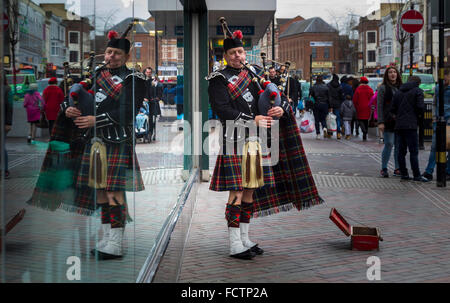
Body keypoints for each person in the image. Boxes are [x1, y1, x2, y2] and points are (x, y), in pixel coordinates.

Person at [28, 28, 148, 260]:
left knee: (114, 192)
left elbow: (128, 111)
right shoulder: (97, 73)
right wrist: (68, 108)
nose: (110, 56)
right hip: (94, 143)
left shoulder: (134, 80)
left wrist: (96, 119)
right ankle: (107, 235)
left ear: (126, 57)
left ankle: (116, 241)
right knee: (101, 192)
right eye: (109, 52)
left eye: (116, 54)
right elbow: (77, 95)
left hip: (116, 141)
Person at [207, 29, 323, 260]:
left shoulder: (253, 75)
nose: (238, 56)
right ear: (225, 56)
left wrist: (279, 108)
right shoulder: (218, 80)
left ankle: (244, 238)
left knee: (250, 190)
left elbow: (270, 97)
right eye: (233, 53)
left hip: (257, 141)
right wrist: (254, 119)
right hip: (235, 140)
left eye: (240, 51)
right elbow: (222, 110)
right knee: (237, 192)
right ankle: (233, 244)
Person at [390, 76, 429, 182]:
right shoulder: (418, 91)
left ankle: (404, 174)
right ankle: (416, 175)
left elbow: (392, 109)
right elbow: (420, 107)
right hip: (411, 125)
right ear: (418, 83)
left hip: (399, 125)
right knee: (413, 151)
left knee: (401, 151)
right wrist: (418, 117)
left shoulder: (398, 92)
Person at [422, 68, 450, 181]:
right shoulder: (438, 88)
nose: (444, 79)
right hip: (438, 122)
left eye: (446, 76)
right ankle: (429, 171)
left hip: (448, 122)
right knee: (435, 147)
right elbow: (434, 103)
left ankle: (448, 171)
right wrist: (434, 117)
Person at [377, 66, 402, 178]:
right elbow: (380, 105)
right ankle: (384, 168)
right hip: (388, 120)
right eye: (390, 72)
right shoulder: (383, 88)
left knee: (398, 145)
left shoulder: (401, 87)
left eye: (394, 72)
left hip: (400, 120)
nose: (392, 74)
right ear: (387, 75)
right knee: (389, 143)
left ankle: (397, 168)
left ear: (397, 74)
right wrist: (380, 122)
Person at [353, 76, 373, 141]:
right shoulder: (370, 89)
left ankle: (363, 130)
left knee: (360, 119)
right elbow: (372, 98)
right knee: (366, 120)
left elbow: (355, 99)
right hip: (368, 107)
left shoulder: (358, 89)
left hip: (360, 106)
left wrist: (356, 106)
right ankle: (366, 131)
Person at [310, 75, 331, 139]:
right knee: (323, 118)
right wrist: (330, 106)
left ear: (316, 80)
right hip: (325, 104)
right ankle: (324, 127)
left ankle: (318, 133)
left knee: (316, 119)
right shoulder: (326, 87)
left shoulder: (314, 87)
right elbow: (329, 97)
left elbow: (310, 96)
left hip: (316, 104)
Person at [1, 75, 12, 179]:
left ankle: (5, 169)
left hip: (3, 122)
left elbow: (9, 106)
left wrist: (8, 123)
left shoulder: (7, 89)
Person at [327, 74, 345, 139]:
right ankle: (338, 133)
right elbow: (342, 97)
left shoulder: (328, 85)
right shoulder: (340, 86)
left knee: (329, 118)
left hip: (330, 104)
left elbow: (327, 95)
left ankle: (329, 133)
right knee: (337, 119)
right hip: (337, 104)